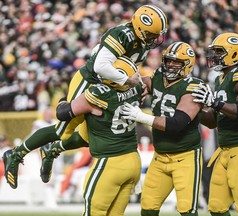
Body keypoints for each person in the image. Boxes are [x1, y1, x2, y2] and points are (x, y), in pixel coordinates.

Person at [2, 4, 168, 189]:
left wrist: (136, 84)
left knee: (88, 136)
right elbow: (100, 66)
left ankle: (52, 149)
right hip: (90, 80)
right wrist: (128, 81)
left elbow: (124, 66)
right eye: (152, 34)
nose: (155, 39)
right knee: (62, 130)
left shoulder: (140, 42)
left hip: (109, 86)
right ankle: (16, 154)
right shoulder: (121, 34)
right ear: (139, 27)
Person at [121, 41, 204, 215]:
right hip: (160, 157)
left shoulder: (193, 86)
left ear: (187, 65)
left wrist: (140, 117)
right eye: (169, 60)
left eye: (177, 62)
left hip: (185, 157)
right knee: (148, 206)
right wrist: (133, 86)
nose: (171, 65)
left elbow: (176, 124)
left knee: (187, 209)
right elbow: (141, 82)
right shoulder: (158, 76)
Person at [191, 32, 238, 216]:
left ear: (234, 53)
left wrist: (215, 103)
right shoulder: (220, 79)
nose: (214, 56)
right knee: (216, 207)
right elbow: (213, 121)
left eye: (219, 52)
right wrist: (195, 109)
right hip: (225, 150)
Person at [56, 56, 142, 216]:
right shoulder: (136, 89)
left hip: (110, 163)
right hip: (133, 160)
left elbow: (63, 113)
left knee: (92, 213)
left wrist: (64, 100)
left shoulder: (99, 94)